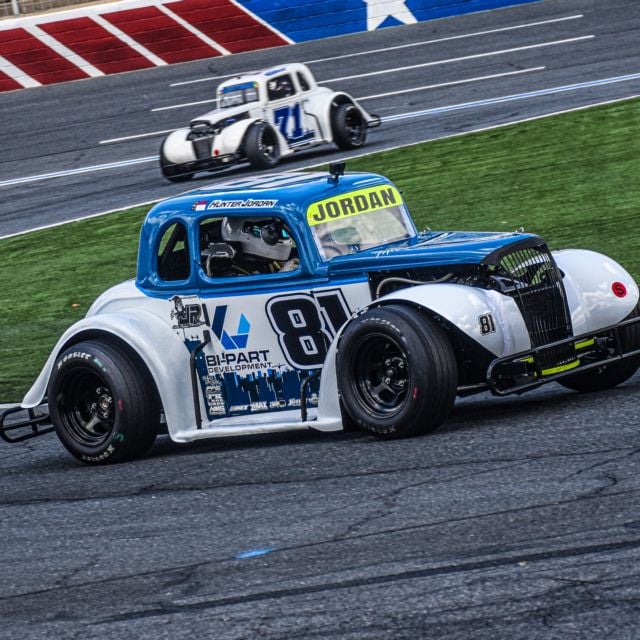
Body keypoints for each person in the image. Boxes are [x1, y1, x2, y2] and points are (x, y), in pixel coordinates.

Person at [203, 217, 299, 277]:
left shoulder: (270, 262)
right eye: (270, 232)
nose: (276, 235)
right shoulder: (230, 274)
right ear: (244, 232)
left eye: (280, 231)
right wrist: (282, 276)